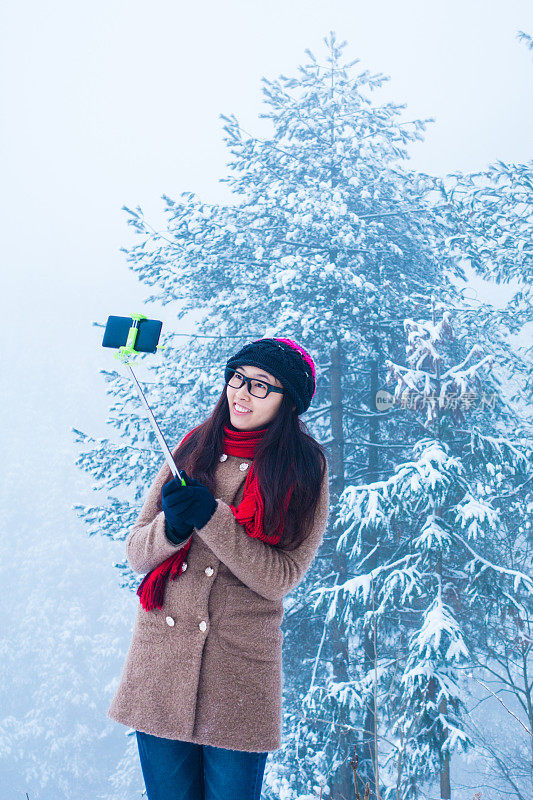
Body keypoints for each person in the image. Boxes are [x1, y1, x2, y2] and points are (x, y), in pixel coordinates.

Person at [107, 337, 331, 800]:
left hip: (238, 676)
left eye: (261, 386)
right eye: (238, 378)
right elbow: (136, 553)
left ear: (289, 401)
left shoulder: (304, 468)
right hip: (161, 666)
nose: (242, 393)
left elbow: (281, 577)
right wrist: (173, 527)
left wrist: (211, 518)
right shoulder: (193, 447)